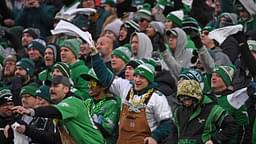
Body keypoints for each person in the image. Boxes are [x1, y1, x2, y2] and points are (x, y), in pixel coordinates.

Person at [90, 45, 172, 144]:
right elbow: (105, 76)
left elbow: (167, 123)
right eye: (136, 76)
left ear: (149, 80)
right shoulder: (125, 87)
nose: (137, 80)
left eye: (142, 77)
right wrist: (95, 55)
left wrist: (155, 137)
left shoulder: (157, 97)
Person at [12, 76, 105, 144]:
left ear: (66, 89)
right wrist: (26, 130)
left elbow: (54, 111)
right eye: (51, 86)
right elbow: (55, 139)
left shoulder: (73, 101)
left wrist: (31, 111)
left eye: (56, 86)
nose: (51, 89)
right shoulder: (60, 107)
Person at [172, 80, 238, 143]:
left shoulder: (213, 110)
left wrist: (215, 140)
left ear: (196, 97)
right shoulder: (178, 112)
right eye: (182, 99)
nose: (185, 102)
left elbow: (232, 126)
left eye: (188, 99)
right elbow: (173, 134)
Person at [82, 68, 121, 144]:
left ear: (103, 86)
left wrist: (84, 122)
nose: (89, 86)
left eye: (93, 83)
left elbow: (106, 131)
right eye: (89, 83)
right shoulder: (87, 102)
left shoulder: (112, 104)